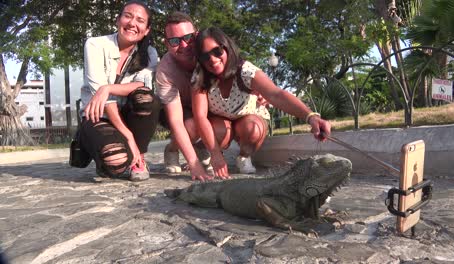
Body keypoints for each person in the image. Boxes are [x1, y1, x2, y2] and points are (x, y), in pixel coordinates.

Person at [191, 27, 332, 178]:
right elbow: (200, 116)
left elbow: (276, 94)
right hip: (221, 122)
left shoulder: (245, 70)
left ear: (227, 48)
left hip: (249, 117)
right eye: (205, 56)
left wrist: (311, 117)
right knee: (217, 131)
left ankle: (244, 156)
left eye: (217, 51)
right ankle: (213, 154)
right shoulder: (200, 77)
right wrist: (215, 154)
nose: (212, 59)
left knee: (253, 128)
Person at [79, 0, 159, 181]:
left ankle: (139, 156)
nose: (132, 23)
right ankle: (103, 151)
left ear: (146, 29)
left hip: (129, 115)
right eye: (128, 16)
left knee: (147, 99)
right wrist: (129, 136)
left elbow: (143, 87)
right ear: (118, 20)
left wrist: (107, 88)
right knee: (116, 161)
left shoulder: (150, 53)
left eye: (140, 20)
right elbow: (103, 98)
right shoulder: (95, 45)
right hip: (98, 115)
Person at [156, 12, 216, 181]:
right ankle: (173, 148)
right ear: (167, 44)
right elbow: (175, 120)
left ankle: (201, 146)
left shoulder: (210, 53)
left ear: (196, 35)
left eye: (188, 37)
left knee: (220, 126)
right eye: (175, 41)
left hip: (208, 105)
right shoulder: (164, 70)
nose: (184, 45)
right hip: (180, 108)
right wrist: (194, 163)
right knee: (192, 125)